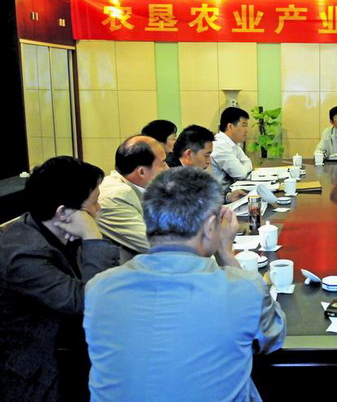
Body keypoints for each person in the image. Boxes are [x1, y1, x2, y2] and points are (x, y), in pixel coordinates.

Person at [84, 167, 286, 401]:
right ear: (210, 226)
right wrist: (226, 253)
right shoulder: (243, 288)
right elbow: (273, 339)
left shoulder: (99, 288)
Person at [0, 157, 119, 402]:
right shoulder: (24, 254)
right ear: (63, 212)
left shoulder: (60, 232)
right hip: (37, 373)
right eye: (94, 203)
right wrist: (92, 236)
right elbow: (88, 302)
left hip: (70, 349)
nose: (99, 210)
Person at [97, 135, 168, 263]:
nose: (167, 168)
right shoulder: (117, 196)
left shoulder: (141, 188)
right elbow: (156, 244)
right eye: (162, 163)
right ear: (141, 172)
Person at [168, 124, 246, 204]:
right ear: (188, 154)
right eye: (206, 156)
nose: (209, 161)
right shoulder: (170, 176)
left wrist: (228, 197)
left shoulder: (191, 169)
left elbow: (204, 196)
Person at [210, 107, 253, 186]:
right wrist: (244, 168)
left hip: (230, 189)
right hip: (220, 192)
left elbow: (248, 162)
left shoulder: (233, 143)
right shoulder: (220, 145)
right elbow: (240, 174)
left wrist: (244, 167)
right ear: (230, 126)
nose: (246, 130)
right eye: (244, 125)